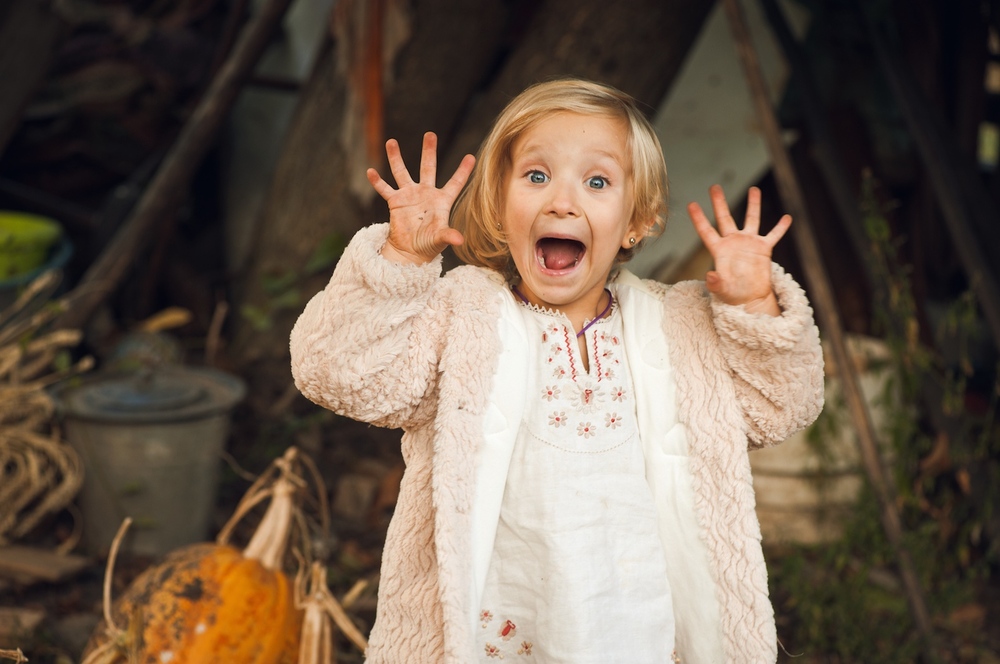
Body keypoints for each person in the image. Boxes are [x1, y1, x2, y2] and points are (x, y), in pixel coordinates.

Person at [290, 78, 824, 663]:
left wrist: (754, 306)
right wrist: (402, 260)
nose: (561, 202)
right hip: (498, 637)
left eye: (597, 181)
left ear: (637, 221)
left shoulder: (678, 328)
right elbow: (335, 371)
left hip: (642, 636)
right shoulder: (465, 317)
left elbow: (781, 405)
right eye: (537, 176)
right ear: (499, 204)